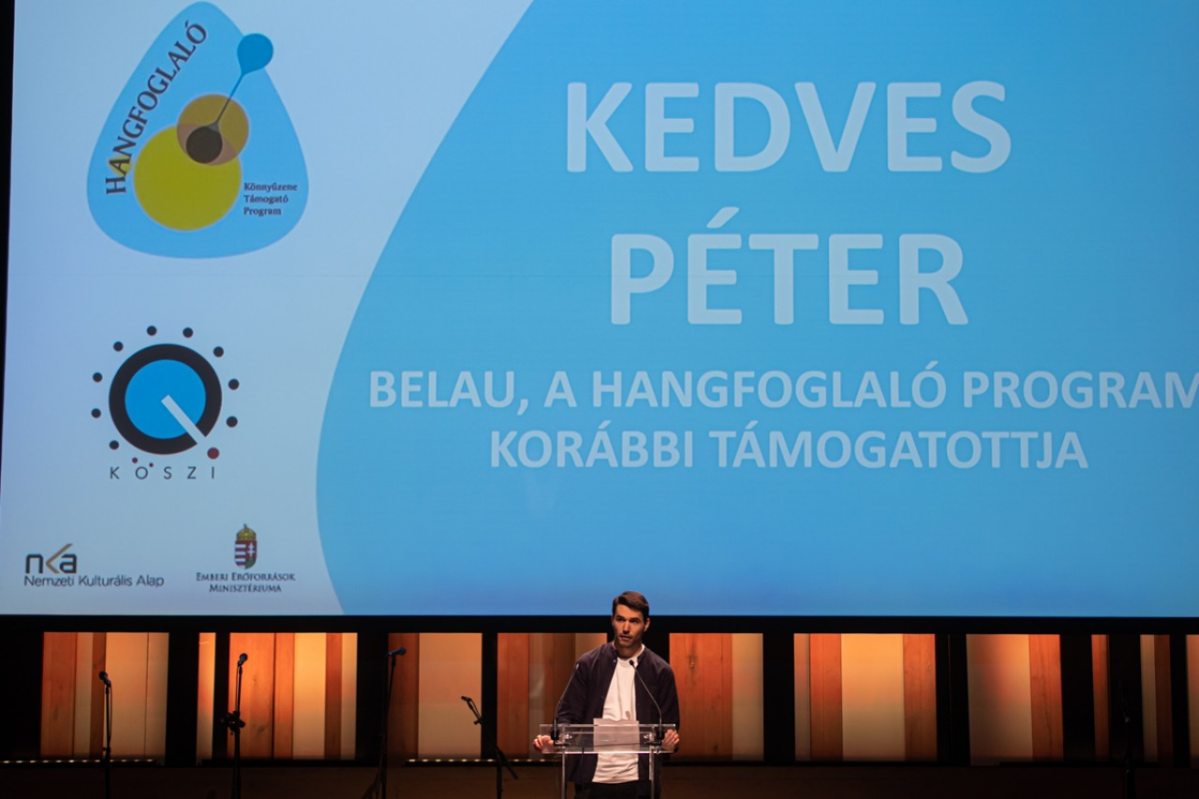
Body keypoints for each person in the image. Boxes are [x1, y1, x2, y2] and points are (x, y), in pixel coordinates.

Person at [534, 591, 680, 798]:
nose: (626, 628)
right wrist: (555, 741)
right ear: (612, 620)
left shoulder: (660, 671)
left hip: (639, 781)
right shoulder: (588, 664)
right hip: (592, 780)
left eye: (634, 621)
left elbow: (669, 727)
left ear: (646, 624)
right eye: (620, 619)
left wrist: (669, 744)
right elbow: (566, 715)